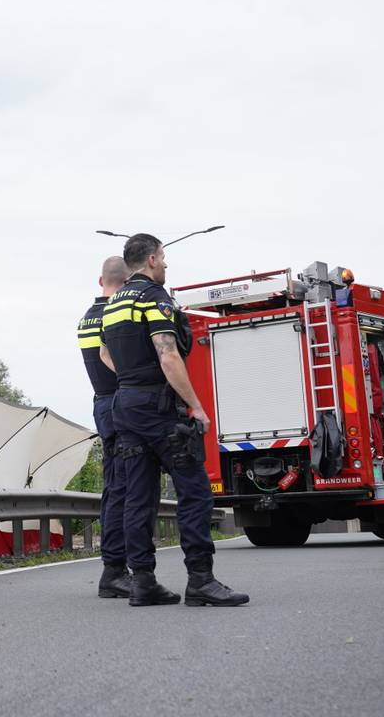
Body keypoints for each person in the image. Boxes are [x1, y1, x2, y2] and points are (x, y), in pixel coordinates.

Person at [98, 234, 248, 607]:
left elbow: (104, 353)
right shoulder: (154, 297)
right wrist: (195, 405)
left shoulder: (113, 303)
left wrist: (131, 381)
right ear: (151, 259)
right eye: (163, 258)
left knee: (138, 496)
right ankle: (201, 581)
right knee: (194, 490)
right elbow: (168, 355)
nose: (165, 264)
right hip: (159, 406)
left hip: (125, 406)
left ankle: (144, 582)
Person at [79, 256, 132, 598]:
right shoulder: (117, 315)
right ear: (126, 283)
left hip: (102, 403)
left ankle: (118, 567)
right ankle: (114, 569)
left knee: (116, 488)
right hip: (121, 402)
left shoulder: (86, 319)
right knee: (123, 490)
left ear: (101, 281)